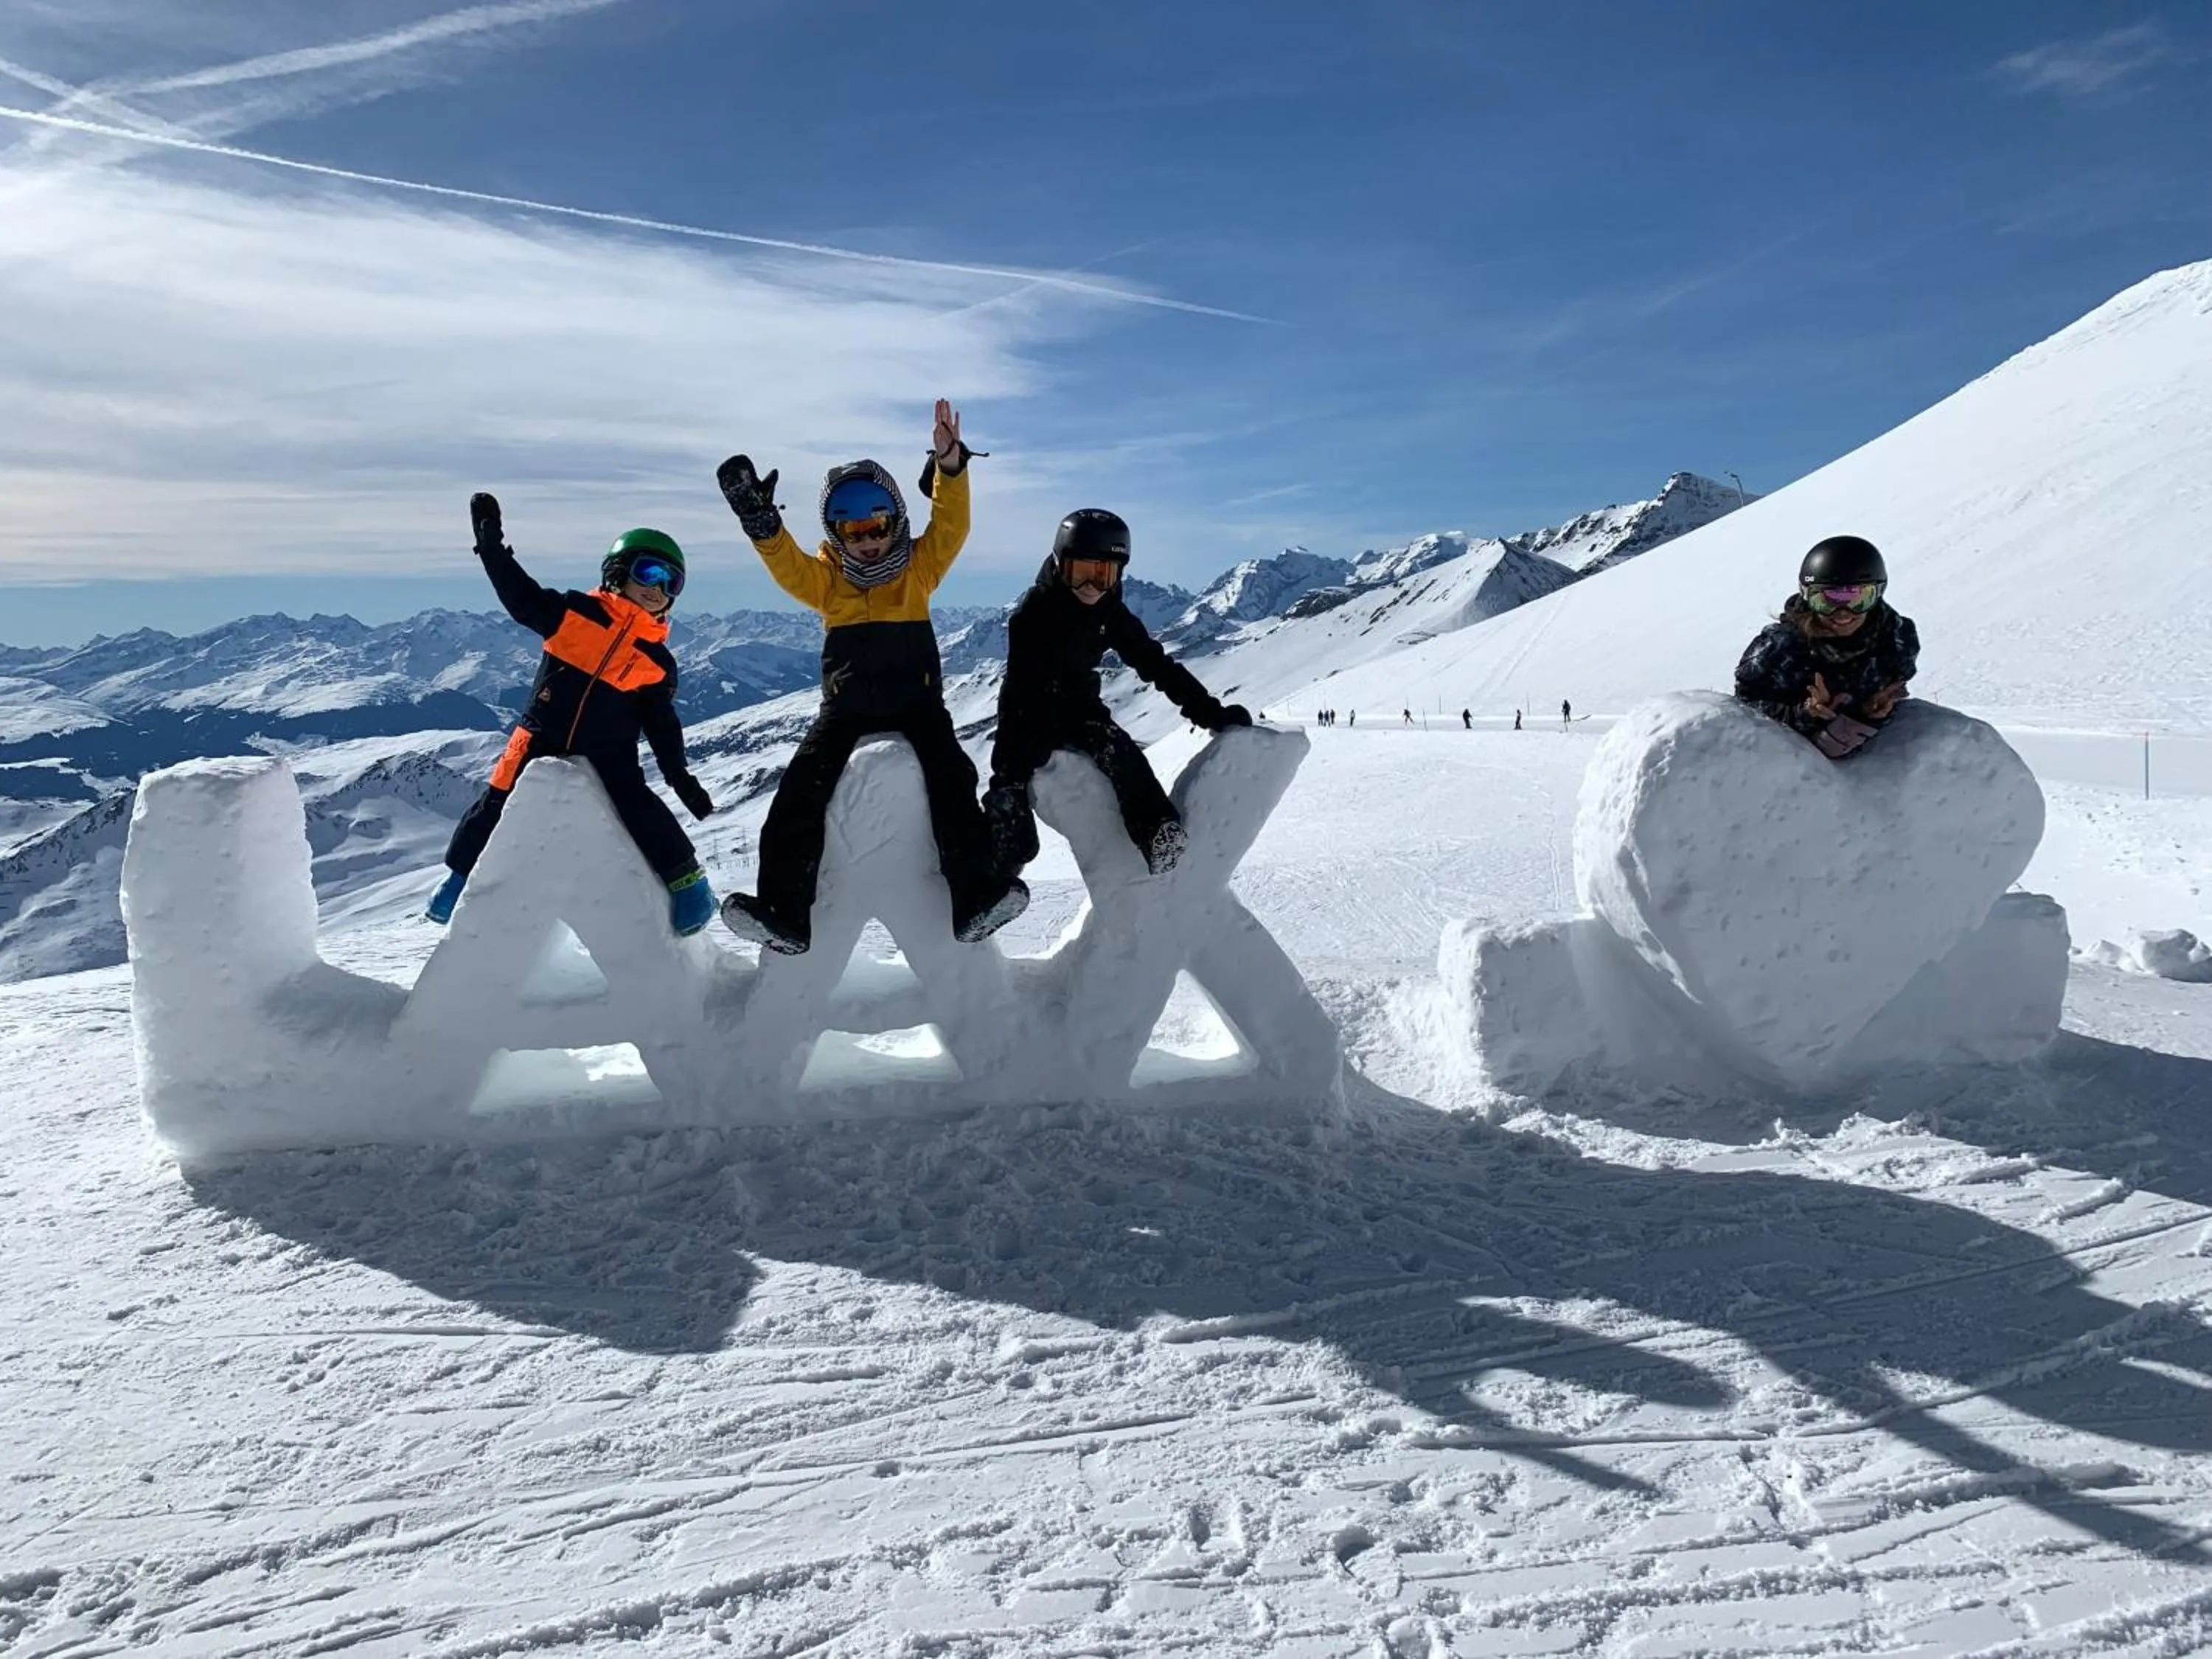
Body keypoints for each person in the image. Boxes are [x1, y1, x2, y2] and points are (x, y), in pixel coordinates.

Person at [713, 400, 1026, 954]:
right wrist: (763, 526)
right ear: (835, 534)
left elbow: (952, 526)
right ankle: (785, 913)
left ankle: (976, 898)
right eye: (852, 532)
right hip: (846, 710)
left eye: (876, 526)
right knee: (799, 795)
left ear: (895, 519)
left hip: (919, 706)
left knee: (954, 784)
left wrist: (950, 468)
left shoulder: (918, 569)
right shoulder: (828, 582)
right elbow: (789, 566)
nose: (867, 541)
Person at [427, 496, 717, 934]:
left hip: (609, 748)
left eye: (671, 582)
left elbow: (662, 725)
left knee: (637, 805)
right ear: (617, 572)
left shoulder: (656, 662)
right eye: (649, 572)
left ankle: (688, 884)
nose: (659, 588)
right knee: (496, 804)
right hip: (541, 734)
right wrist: (491, 547)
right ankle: (457, 883)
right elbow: (519, 597)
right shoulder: (573, 614)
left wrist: (679, 776)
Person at [983, 509, 1251, 877]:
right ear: (1061, 565)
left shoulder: (1109, 611)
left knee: (1119, 751)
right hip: (1028, 707)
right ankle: (997, 874)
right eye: (1082, 574)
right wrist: (1031, 744)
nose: (1091, 587)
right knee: (1011, 779)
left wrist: (1210, 713)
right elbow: (1022, 685)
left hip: (1080, 707)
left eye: (1103, 575)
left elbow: (1156, 665)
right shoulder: (1034, 612)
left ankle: (1158, 832)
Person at [1735, 535, 1920, 759]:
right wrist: (1804, 713)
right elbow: (1742, 711)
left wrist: (1872, 713)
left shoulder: (1896, 639)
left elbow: (1895, 688)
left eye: (1858, 599)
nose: (1842, 613)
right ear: (1806, 596)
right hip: (1793, 767)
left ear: (1879, 594)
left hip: (1874, 766)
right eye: (1827, 600)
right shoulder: (1780, 648)